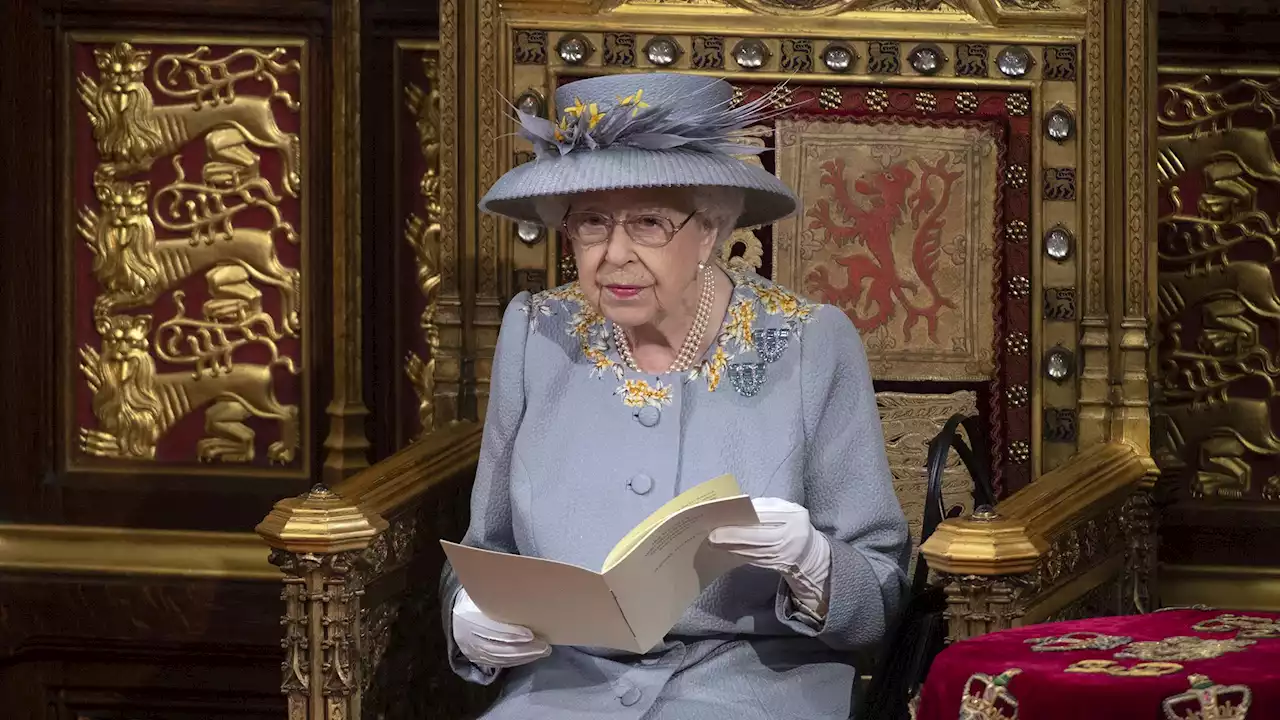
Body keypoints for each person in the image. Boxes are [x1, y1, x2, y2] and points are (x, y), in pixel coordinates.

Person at [439, 71, 910, 720]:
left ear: (710, 229)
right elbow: (485, 548)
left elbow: (882, 591)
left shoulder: (810, 344)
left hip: (758, 691)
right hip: (564, 694)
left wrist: (814, 564)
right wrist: (467, 614)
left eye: (651, 223)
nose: (614, 256)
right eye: (592, 225)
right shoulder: (535, 334)